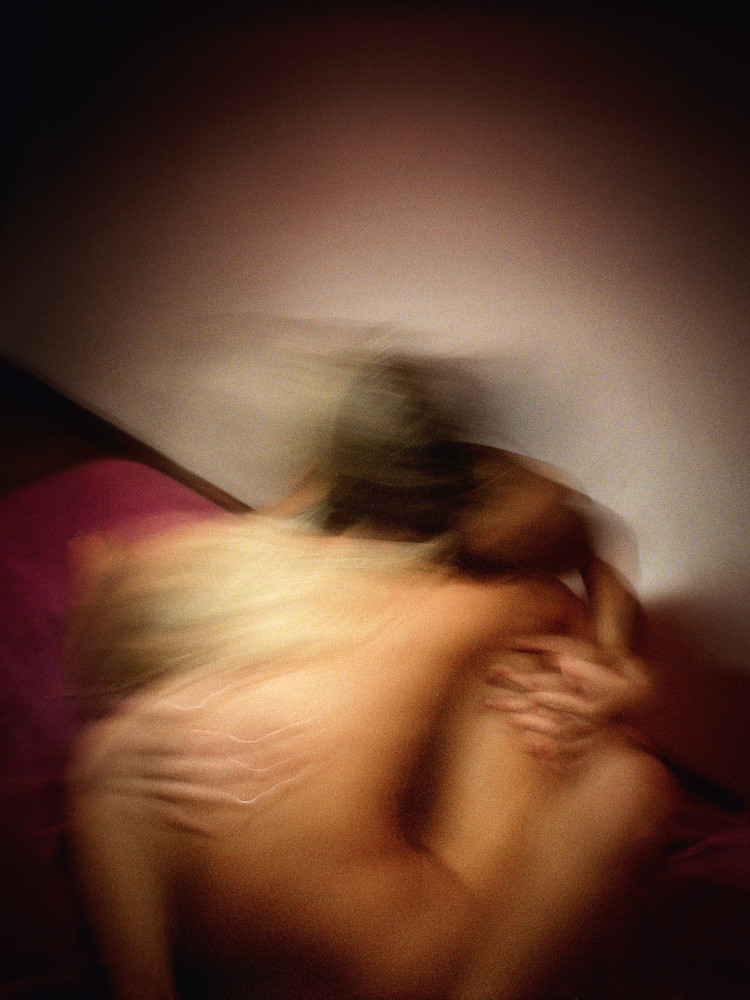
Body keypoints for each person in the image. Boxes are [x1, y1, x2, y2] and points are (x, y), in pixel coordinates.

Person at [65, 355, 671, 1000]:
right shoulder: (512, 600)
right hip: (382, 945)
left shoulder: (231, 557)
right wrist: (622, 672)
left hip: (193, 894)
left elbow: (102, 617)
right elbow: (583, 536)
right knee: (626, 781)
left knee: (113, 753)